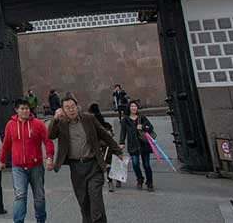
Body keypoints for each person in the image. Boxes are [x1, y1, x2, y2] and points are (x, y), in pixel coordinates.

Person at [48, 94, 123, 223]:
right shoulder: (61, 123)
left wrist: (117, 150)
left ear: (77, 107)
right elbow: (51, 135)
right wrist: (55, 119)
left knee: (96, 200)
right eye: (67, 108)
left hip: (93, 165)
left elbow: (104, 134)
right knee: (84, 202)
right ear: (63, 110)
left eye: (72, 107)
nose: (71, 110)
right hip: (76, 168)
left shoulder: (88, 118)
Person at [0, 98, 54, 223]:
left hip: (36, 166)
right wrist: (2, 160)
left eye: (27, 109)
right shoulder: (10, 125)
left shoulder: (38, 124)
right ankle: (19, 221)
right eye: (22, 109)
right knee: (20, 196)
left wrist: (50, 157)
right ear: (16, 110)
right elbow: (6, 144)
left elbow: (48, 140)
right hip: (18, 167)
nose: (25, 111)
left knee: (39, 197)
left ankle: (41, 219)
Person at [119, 100, 155, 191]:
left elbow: (150, 128)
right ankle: (140, 179)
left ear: (137, 108)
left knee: (146, 164)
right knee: (135, 164)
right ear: (129, 108)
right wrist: (121, 142)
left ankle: (150, 183)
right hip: (132, 145)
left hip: (144, 144)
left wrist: (142, 127)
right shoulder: (125, 120)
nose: (133, 108)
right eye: (132, 106)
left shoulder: (142, 118)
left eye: (135, 106)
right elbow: (123, 132)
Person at [88, 103, 119, 192]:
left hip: (98, 145)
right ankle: (114, 180)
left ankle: (110, 181)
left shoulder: (90, 120)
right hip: (104, 144)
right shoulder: (99, 118)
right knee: (108, 163)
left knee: (103, 163)